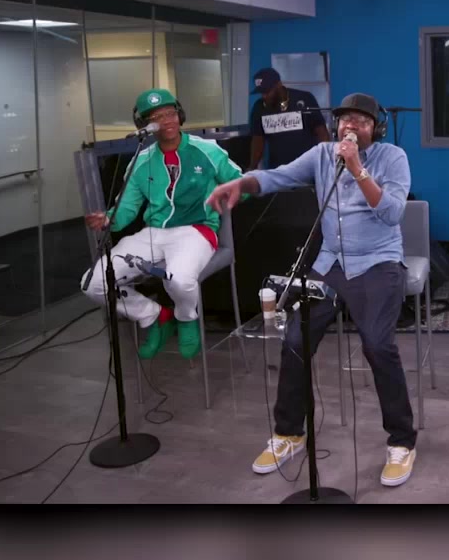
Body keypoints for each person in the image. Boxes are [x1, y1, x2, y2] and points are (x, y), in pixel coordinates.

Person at [208, 92, 419, 487]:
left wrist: (357, 169)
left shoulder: (393, 158)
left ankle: (402, 441)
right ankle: (289, 432)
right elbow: (278, 176)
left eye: (361, 121)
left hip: (378, 262)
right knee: (295, 339)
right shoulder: (322, 155)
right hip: (330, 262)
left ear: (376, 129)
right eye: (345, 120)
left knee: (378, 345)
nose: (351, 126)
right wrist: (241, 182)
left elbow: (392, 212)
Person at [80, 88, 244, 360]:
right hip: (153, 234)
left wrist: (228, 194)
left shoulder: (207, 150)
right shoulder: (141, 161)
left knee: (179, 279)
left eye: (170, 113)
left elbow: (241, 183)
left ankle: (186, 317)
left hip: (196, 231)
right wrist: (108, 219)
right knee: (93, 284)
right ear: (145, 125)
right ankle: (154, 316)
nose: (166, 120)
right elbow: (126, 208)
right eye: (156, 117)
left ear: (180, 115)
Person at [248, 67, 331, 170]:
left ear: (278, 85)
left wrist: (326, 161)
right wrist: (252, 166)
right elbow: (258, 140)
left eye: (268, 91)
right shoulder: (259, 108)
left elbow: (321, 133)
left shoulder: (304, 99)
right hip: (278, 170)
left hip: (308, 167)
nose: (265, 96)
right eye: (262, 93)